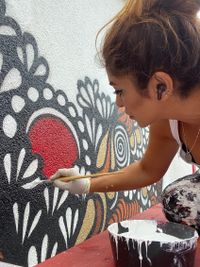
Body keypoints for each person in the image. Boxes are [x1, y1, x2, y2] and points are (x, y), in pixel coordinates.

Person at [50, 0, 200, 232]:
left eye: (119, 90)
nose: (118, 103)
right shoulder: (167, 120)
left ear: (160, 86)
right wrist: (86, 184)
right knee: (176, 200)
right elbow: (147, 170)